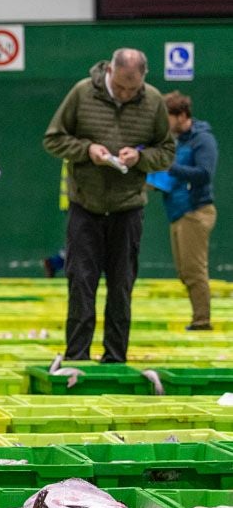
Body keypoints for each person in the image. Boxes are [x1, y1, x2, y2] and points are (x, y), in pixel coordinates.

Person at [43, 48, 174, 362]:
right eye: (121, 87)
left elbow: (167, 151)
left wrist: (141, 157)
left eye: (134, 89)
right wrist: (87, 150)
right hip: (85, 206)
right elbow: (53, 139)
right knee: (81, 283)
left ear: (144, 78)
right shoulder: (82, 93)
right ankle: (77, 357)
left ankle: (115, 357)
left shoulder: (153, 100)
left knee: (121, 286)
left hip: (127, 207)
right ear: (109, 73)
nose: (127, 94)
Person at [161, 92, 218, 331]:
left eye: (169, 118)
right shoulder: (179, 141)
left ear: (182, 115)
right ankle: (199, 317)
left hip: (195, 212)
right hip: (177, 211)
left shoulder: (202, 140)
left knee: (195, 271)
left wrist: (171, 169)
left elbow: (205, 173)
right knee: (185, 271)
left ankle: (202, 321)